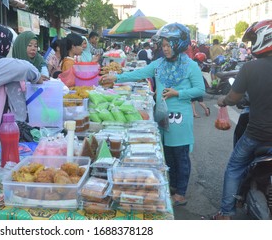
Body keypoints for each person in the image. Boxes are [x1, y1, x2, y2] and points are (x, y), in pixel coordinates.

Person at [101, 23, 205, 206]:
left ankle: (180, 194)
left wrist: (178, 93)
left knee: (181, 155)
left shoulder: (191, 66)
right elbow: (139, 73)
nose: (164, 49)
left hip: (180, 118)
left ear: (178, 45)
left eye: (168, 45)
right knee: (168, 154)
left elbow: (199, 89)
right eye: (163, 45)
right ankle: (172, 186)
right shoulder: (159, 64)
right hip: (162, 117)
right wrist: (115, 77)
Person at [213, 19, 272, 220]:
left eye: (254, 38)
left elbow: (232, 98)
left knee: (234, 167)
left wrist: (222, 100)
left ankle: (226, 213)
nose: (251, 43)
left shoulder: (250, 68)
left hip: (257, 135)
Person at [192, 52, 210, 118]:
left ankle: (195, 113)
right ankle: (205, 110)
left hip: (194, 84)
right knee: (199, 101)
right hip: (198, 85)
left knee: (193, 101)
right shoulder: (200, 65)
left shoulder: (193, 64)